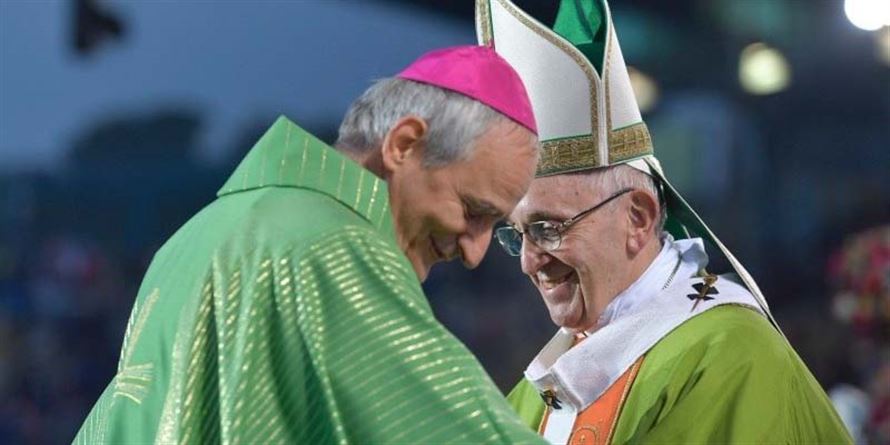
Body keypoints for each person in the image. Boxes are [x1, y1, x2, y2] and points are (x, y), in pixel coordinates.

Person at [74, 45, 548, 444]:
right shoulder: (335, 249)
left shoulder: (192, 239)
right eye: (473, 211)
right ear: (403, 145)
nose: (474, 252)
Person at [476, 0, 853, 443]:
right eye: (518, 234)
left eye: (548, 229)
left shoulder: (728, 353)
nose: (528, 261)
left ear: (638, 218)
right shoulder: (537, 393)